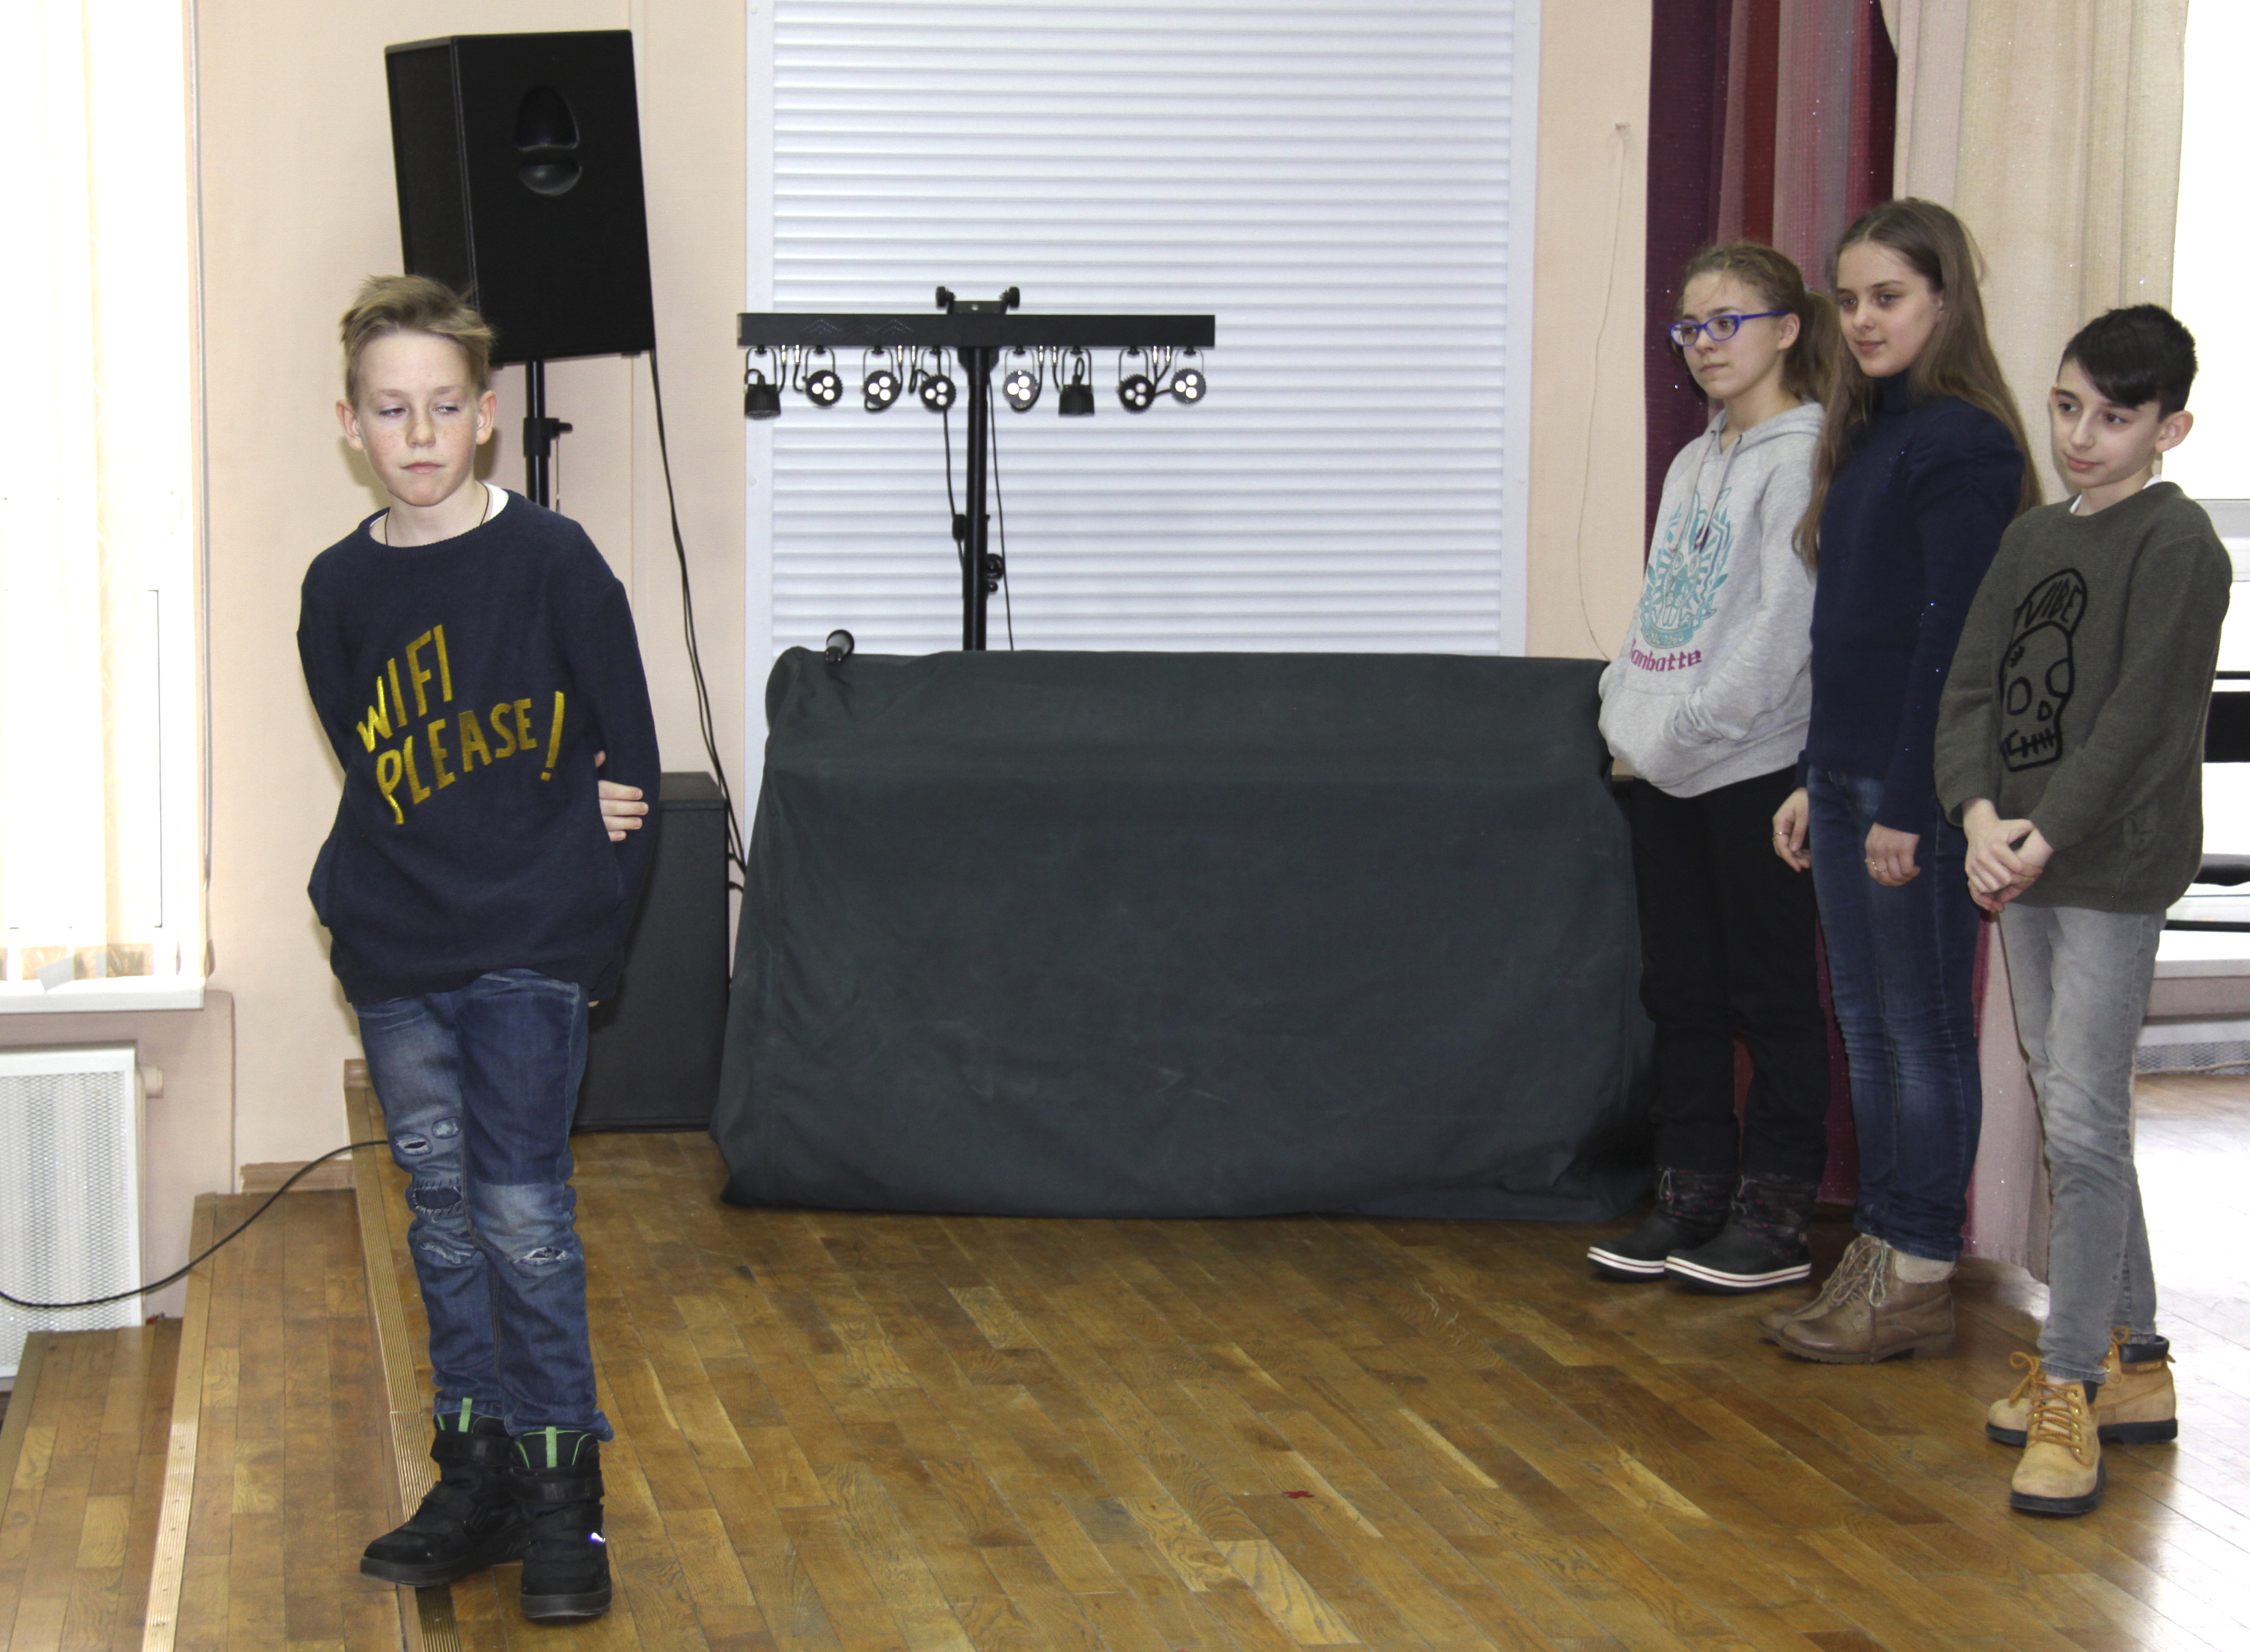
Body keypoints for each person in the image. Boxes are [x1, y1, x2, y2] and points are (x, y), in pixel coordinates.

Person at [297, 275, 659, 1620]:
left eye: (444, 407)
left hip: (528, 948)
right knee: (444, 1220)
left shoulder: (555, 561)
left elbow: (632, 767)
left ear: (488, 415)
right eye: (392, 410)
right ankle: (479, 1475)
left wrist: (585, 937)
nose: (420, 433)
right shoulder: (337, 589)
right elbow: (378, 770)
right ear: (352, 424)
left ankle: (568, 1502)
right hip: (397, 952)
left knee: (521, 1215)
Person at [1934, 305, 2218, 1515]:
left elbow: (2143, 720)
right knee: (2071, 1107)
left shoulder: (2179, 542)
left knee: (2087, 1125)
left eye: (2114, 417)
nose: (2082, 436)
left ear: (2170, 429)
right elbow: (1972, 691)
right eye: (2067, 407)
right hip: (2023, 860)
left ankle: (2070, 1384)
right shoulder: (2034, 539)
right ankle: (2136, 1357)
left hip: (2104, 868)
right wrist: (1977, 817)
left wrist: (2041, 838)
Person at [1765, 199, 2038, 1362]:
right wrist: (1811, 774)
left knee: (1920, 1034)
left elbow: (1951, 642)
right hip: (1844, 777)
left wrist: (1915, 805)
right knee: (1868, 1029)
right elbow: (1850, 634)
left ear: (1944, 302)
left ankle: (1919, 1268)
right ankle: (1881, 1251)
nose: (1864, 319)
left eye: (1889, 297)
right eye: (1850, 299)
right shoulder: (1870, 432)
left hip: (1910, 790)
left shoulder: (1965, 442)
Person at [1590, 242, 1835, 1292]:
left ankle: (1774, 1218)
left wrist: (1688, 728)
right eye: (1689, 327)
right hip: (1660, 768)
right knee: (1681, 991)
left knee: (1770, 996)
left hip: (1751, 767)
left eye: (1726, 322)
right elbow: (1663, 607)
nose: (1704, 344)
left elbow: (1785, 628)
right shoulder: (1695, 459)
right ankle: (1689, 1195)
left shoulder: (1807, 453)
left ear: (1787, 329)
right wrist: (1624, 708)